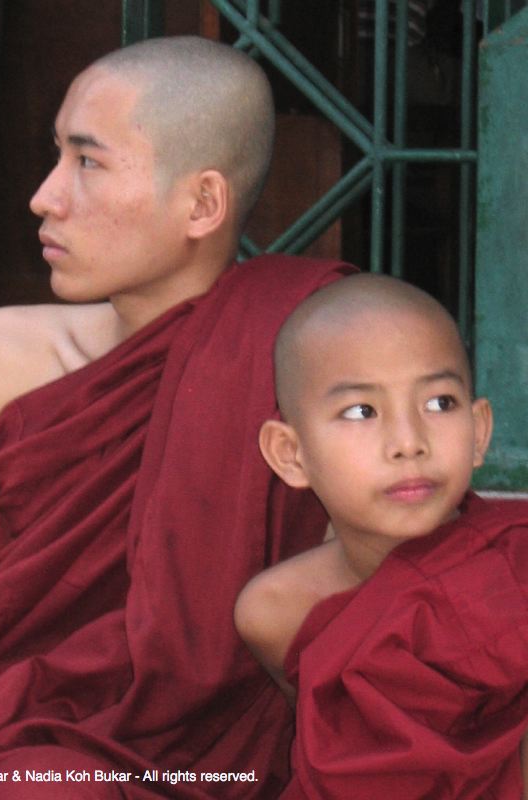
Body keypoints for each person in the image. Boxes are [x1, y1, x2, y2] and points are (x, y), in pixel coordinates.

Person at [0, 35, 355, 799]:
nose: (44, 197)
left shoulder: (296, 360)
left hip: (231, 760)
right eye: (56, 156)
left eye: (87, 162)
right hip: (16, 741)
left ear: (203, 203)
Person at [234, 272, 528, 799]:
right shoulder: (276, 612)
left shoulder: (517, 572)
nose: (408, 443)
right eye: (361, 411)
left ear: (479, 432)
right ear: (290, 455)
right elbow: (341, 757)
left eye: (439, 403)